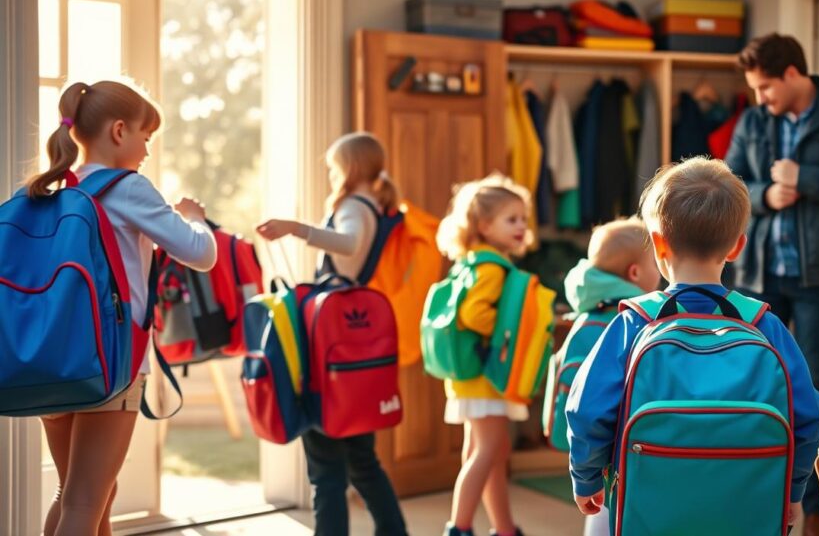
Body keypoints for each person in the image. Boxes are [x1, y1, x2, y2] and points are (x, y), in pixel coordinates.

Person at [566, 158, 819, 533]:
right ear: (737, 246)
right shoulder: (764, 324)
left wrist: (586, 477)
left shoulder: (634, 321)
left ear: (657, 244)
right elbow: (807, 416)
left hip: (651, 507)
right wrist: (793, 488)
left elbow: (588, 410)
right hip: (747, 507)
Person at [32, 80, 216, 536]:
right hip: (109, 362)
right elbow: (201, 253)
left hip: (52, 360)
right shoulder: (129, 188)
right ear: (119, 131)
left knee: (81, 494)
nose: (148, 151)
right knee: (83, 501)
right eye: (145, 137)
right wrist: (195, 217)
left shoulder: (57, 190)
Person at [725, 33, 819, 533]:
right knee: (752, 379)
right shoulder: (753, 120)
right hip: (760, 273)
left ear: (791, 74)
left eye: (765, 87)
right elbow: (731, 181)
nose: (760, 98)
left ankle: (816, 512)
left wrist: (804, 178)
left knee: (817, 385)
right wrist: (765, 195)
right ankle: (755, 493)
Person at [256, 132, 408, 536]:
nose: (331, 171)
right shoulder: (375, 203)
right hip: (350, 330)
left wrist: (295, 228)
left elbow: (349, 243)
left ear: (351, 166)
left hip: (330, 334)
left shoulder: (355, 207)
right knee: (363, 461)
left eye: (335, 164)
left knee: (326, 471)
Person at [433, 174, 536, 536]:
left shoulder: (471, 261)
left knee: (488, 450)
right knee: (489, 449)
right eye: (512, 220)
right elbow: (473, 314)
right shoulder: (492, 267)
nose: (522, 226)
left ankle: (505, 528)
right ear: (483, 225)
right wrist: (511, 328)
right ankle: (459, 527)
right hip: (486, 374)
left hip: (469, 376)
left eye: (523, 218)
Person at [560, 217, 661, 536]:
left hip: (596, 445)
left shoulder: (590, 309)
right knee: (616, 509)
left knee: (600, 508)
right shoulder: (632, 319)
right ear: (635, 273)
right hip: (630, 445)